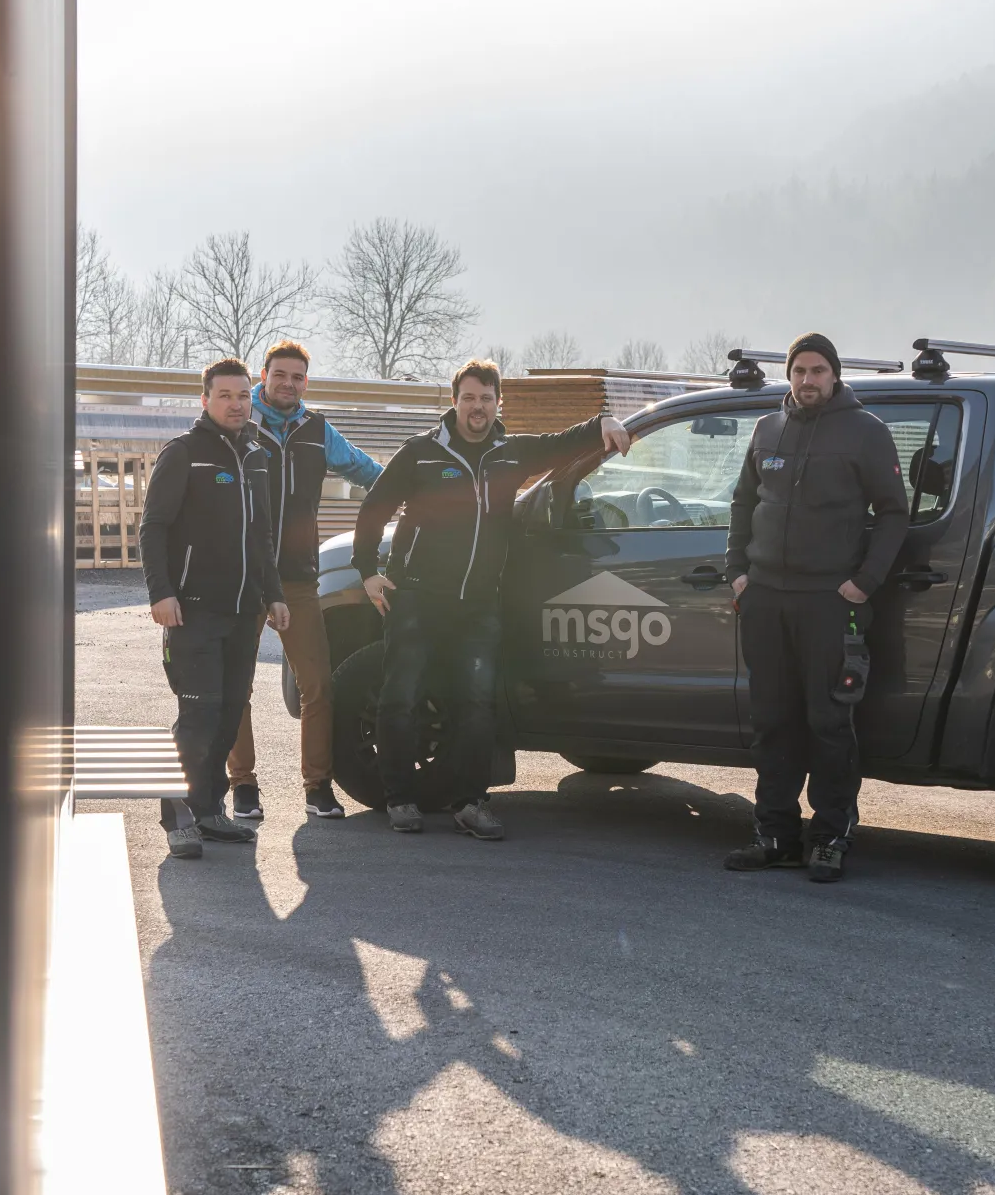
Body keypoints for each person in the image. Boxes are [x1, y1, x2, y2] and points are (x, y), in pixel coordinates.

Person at [353, 358, 631, 839]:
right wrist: (366, 571)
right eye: (468, 397)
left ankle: (470, 803)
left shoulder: (510, 454)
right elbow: (375, 506)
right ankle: (399, 798)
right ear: (454, 401)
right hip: (416, 596)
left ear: (498, 403)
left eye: (486, 398)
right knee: (401, 696)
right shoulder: (421, 452)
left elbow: (561, 444)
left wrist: (602, 421)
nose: (476, 407)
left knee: (477, 704)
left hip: (478, 604)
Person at [724, 332, 909, 883]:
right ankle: (775, 834)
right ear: (789, 375)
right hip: (765, 599)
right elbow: (743, 502)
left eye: (818, 370)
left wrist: (865, 582)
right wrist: (738, 573)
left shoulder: (866, 431)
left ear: (834, 375)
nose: (808, 380)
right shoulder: (767, 428)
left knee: (829, 722)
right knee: (772, 721)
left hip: (830, 601)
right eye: (799, 370)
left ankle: (830, 837)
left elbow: (894, 512)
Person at [140, 357, 289, 860]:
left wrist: (273, 594)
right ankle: (178, 817)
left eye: (243, 395)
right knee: (198, 718)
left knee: (227, 717)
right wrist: (161, 592)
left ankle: (207, 810)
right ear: (205, 400)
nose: (236, 404)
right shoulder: (184, 452)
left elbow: (262, 534)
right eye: (225, 395)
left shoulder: (257, 455)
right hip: (193, 611)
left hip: (244, 613)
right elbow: (153, 527)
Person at [225, 340, 381, 823]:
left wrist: (413, 492)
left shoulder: (317, 430)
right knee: (236, 686)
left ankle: (318, 786)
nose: (287, 384)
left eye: (297, 377)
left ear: (306, 382)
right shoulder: (240, 423)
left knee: (318, 687)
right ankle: (242, 784)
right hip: (242, 577)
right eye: (279, 375)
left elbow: (367, 470)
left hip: (297, 578)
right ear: (264, 377)